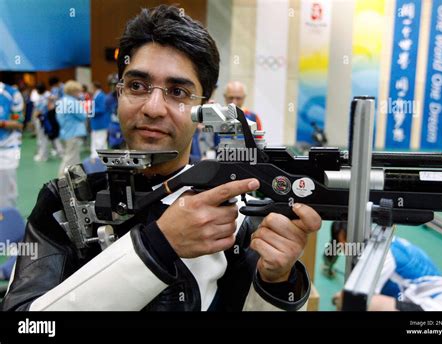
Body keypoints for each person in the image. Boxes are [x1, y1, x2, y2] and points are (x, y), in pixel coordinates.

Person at [1, 5, 321, 311]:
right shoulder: (64, 204)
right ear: (120, 93)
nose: (153, 107)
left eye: (178, 92)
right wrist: (156, 247)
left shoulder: (231, 216)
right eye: (137, 85)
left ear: (206, 110)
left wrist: (278, 282)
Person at [326, 221, 442, 311]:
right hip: (417, 301)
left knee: (354, 301)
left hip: (434, 308)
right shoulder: (380, 239)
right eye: (340, 242)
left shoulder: (382, 255)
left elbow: (360, 298)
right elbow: (331, 252)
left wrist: (338, 298)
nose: (344, 246)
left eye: (346, 240)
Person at [56, 80, 88, 177]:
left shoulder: (61, 101)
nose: (80, 93)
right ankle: (60, 178)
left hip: (65, 131)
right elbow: (83, 116)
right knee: (70, 157)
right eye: (78, 91)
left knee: (74, 157)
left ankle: (78, 177)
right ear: (73, 91)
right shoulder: (72, 102)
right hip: (73, 132)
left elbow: (59, 118)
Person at [0, 81, 24, 208]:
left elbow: (19, 122)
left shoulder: (11, 93)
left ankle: (8, 223)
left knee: (7, 194)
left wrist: (2, 123)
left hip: (6, 150)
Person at [90, 81, 110, 158]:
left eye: (91, 87)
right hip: (96, 122)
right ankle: (97, 156)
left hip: (101, 122)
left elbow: (102, 109)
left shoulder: (101, 96)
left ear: (95, 87)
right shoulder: (96, 95)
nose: (90, 89)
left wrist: (90, 111)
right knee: (96, 140)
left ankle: (100, 157)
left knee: (100, 141)